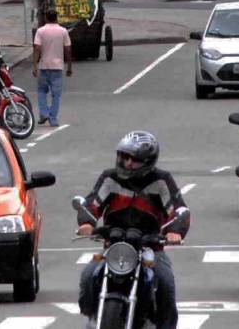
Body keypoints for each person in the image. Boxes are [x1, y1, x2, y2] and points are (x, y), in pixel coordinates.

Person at [76, 131, 190, 329]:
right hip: (115, 247)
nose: (128, 163)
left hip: (150, 249)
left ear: (148, 161)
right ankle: (94, 316)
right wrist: (87, 223)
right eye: (124, 156)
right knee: (88, 274)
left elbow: (179, 209)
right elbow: (92, 203)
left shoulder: (161, 180)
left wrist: (175, 231)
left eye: (135, 160)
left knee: (165, 282)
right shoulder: (109, 177)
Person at [32, 9, 72, 127]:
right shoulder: (63, 31)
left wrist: (35, 65)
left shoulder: (40, 31)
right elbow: (68, 49)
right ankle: (53, 118)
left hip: (44, 66)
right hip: (58, 67)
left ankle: (44, 113)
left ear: (45, 18)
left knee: (41, 91)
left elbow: (37, 48)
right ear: (56, 18)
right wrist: (69, 66)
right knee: (56, 94)